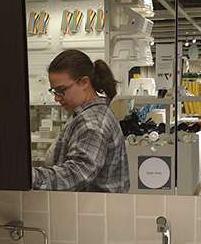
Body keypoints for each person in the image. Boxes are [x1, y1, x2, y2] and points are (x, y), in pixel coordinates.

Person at [31, 50, 130, 192]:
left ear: (84, 82)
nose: (57, 97)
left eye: (61, 90)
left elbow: (77, 174)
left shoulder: (92, 123)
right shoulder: (85, 114)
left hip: (93, 205)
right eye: (54, 91)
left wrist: (30, 177)